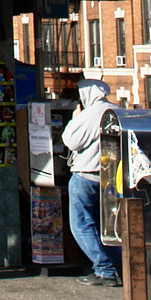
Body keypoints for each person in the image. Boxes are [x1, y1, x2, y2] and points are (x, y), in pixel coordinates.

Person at [60, 77, 119, 284]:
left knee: (81, 224)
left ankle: (104, 268)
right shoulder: (117, 110)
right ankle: (116, 266)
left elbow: (70, 140)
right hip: (111, 177)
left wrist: (75, 118)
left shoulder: (90, 114)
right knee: (109, 224)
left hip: (86, 174)